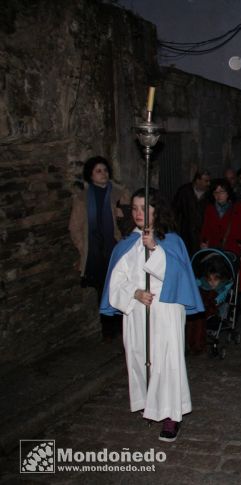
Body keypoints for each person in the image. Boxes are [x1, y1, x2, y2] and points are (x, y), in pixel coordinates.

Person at [100, 188, 203, 442]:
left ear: (157, 211)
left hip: (166, 309)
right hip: (136, 311)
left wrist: (155, 248)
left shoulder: (172, 241)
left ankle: (171, 415)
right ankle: (151, 403)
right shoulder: (126, 244)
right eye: (134, 208)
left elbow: (179, 275)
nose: (138, 213)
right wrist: (135, 293)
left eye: (145, 208)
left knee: (167, 361)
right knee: (140, 357)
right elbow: (117, 282)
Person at [68, 156, 130, 342]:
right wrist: (83, 248)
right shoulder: (82, 199)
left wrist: (123, 214)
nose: (103, 174)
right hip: (96, 251)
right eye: (98, 171)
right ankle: (108, 330)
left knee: (122, 287)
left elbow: (132, 217)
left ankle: (124, 325)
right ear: (90, 175)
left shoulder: (120, 194)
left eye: (105, 170)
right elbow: (75, 227)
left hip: (117, 249)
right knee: (103, 290)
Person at [200, 179, 241, 292]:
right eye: (215, 192)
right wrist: (204, 242)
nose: (218, 195)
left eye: (222, 192)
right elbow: (205, 229)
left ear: (228, 193)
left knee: (234, 286)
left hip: (235, 251)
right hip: (216, 253)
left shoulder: (239, 208)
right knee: (216, 284)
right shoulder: (210, 209)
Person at [173, 170, 211, 256]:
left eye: (209, 181)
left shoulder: (209, 195)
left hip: (202, 234)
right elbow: (175, 212)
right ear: (198, 180)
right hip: (186, 233)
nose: (208, 184)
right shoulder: (184, 192)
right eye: (206, 181)